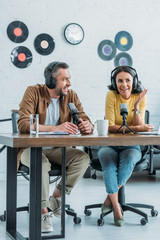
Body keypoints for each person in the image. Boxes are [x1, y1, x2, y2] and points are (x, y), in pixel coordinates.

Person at [17, 61, 93, 232]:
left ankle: (57, 198)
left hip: (57, 149)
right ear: (51, 81)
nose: (69, 83)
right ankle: (43, 211)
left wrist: (88, 126)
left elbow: (85, 118)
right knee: (41, 163)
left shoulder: (71, 95)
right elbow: (22, 124)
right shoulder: (33, 91)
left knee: (83, 158)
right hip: (30, 149)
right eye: (64, 79)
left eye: (69, 79)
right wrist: (55, 128)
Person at [98, 66, 154, 227]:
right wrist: (138, 128)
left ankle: (109, 199)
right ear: (114, 83)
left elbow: (138, 124)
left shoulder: (139, 96)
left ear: (133, 81)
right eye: (120, 81)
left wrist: (136, 106)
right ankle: (116, 207)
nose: (124, 85)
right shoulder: (111, 95)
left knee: (129, 160)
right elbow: (110, 126)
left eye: (127, 80)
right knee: (109, 165)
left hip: (131, 146)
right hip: (109, 144)